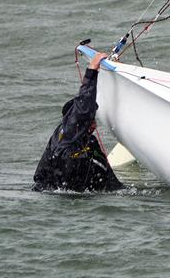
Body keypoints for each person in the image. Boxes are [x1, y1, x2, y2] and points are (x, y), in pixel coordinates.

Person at [33, 51, 123, 192]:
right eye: (90, 117)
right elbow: (84, 104)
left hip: (67, 191)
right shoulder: (70, 131)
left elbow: (107, 175)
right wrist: (92, 70)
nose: (93, 121)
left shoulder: (86, 141)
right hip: (58, 191)